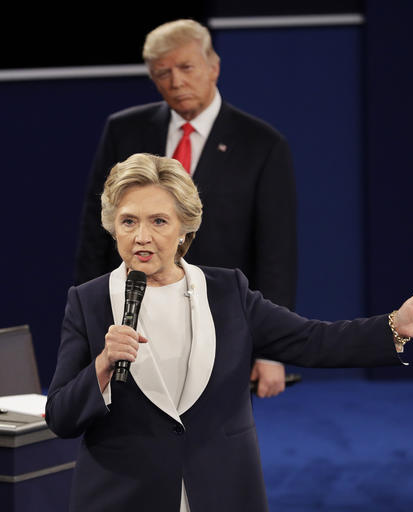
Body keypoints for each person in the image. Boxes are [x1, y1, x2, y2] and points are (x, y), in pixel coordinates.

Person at [46, 153, 413, 512]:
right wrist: (102, 366)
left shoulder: (228, 291)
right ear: (112, 227)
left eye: (158, 221)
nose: (142, 236)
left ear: (184, 230)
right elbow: (61, 416)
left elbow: (311, 340)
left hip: (222, 491)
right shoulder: (89, 301)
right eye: (128, 222)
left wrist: (393, 325)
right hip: (123, 497)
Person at [74, 18, 297, 397]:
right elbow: (97, 233)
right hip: (134, 320)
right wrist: (87, 325)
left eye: (186, 67)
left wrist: (271, 349)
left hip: (221, 322)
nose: (176, 81)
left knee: (215, 442)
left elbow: (276, 252)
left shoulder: (262, 144)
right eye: (163, 72)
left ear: (214, 66)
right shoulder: (124, 131)